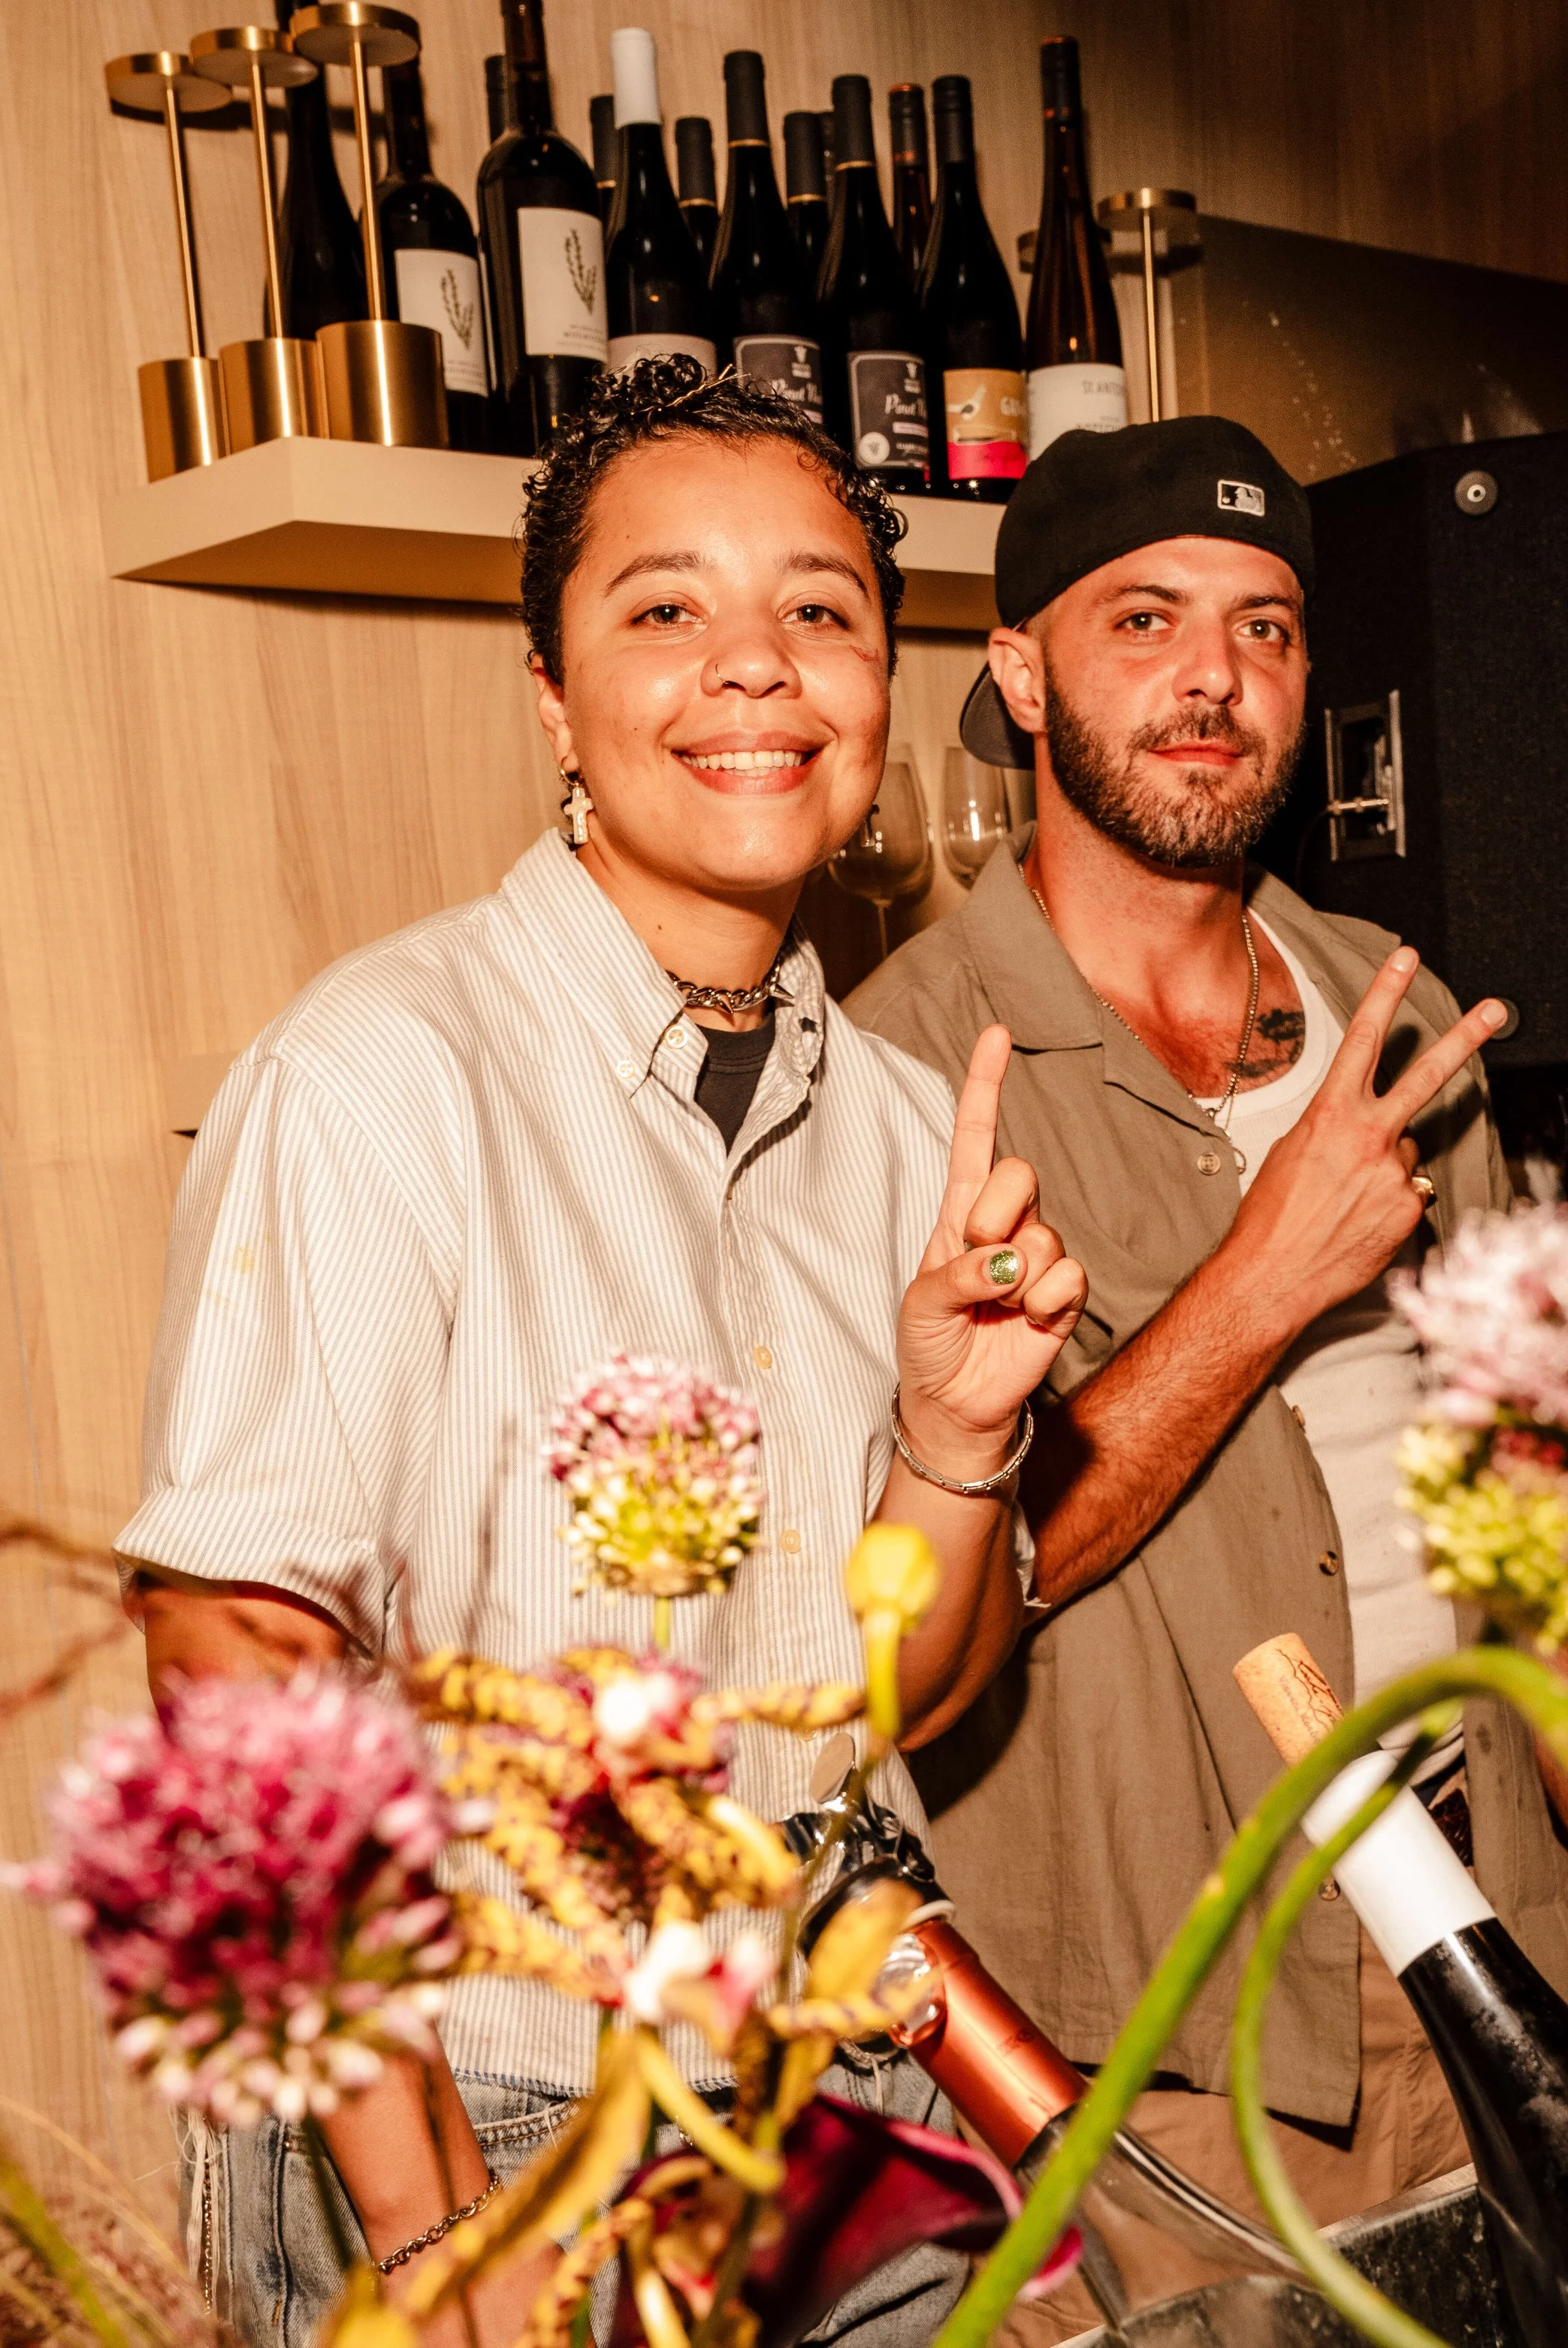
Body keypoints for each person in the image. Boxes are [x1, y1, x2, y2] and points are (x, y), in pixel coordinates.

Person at [116, 356, 1086, 2348]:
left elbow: (898, 1697)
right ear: (551, 692)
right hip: (472, 2115)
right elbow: (237, 1665)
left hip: (825, 2108)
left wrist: (955, 1441)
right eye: (666, 609)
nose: (756, 668)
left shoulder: (911, 1134)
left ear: (879, 691)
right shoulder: (382, 1074)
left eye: (819, 607)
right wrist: (426, 2221)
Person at [848, 416, 1568, 2327]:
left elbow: (1526, 1489)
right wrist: (1264, 1272)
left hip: (1502, 1946)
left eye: (1265, 627)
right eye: (1140, 619)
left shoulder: (1391, 1005)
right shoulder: (904, 1073)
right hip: (1183, 2033)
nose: (1212, 678)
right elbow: (937, 1597)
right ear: (1017, 670)